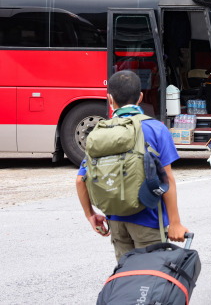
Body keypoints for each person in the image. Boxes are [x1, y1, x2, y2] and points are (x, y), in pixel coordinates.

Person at [75, 70, 189, 261]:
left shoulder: (101, 132)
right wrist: (175, 223)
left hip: (117, 222)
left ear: (109, 98)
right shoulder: (155, 128)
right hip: (149, 221)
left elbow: (80, 180)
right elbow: (167, 179)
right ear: (141, 97)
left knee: (127, 279)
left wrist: (91, 215)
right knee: (151, 280)